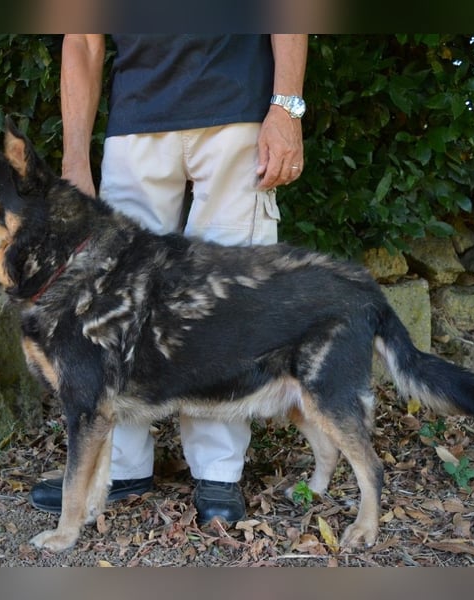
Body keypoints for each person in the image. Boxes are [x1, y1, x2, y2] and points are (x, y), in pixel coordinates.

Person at [30, 34, 308, 525]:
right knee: (113, 305)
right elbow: (83, 38)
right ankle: (119, 468)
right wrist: (74, 158)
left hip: (236, 108)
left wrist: (286, 109)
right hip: (135, 123)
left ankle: (218, 473)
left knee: (226, 304)